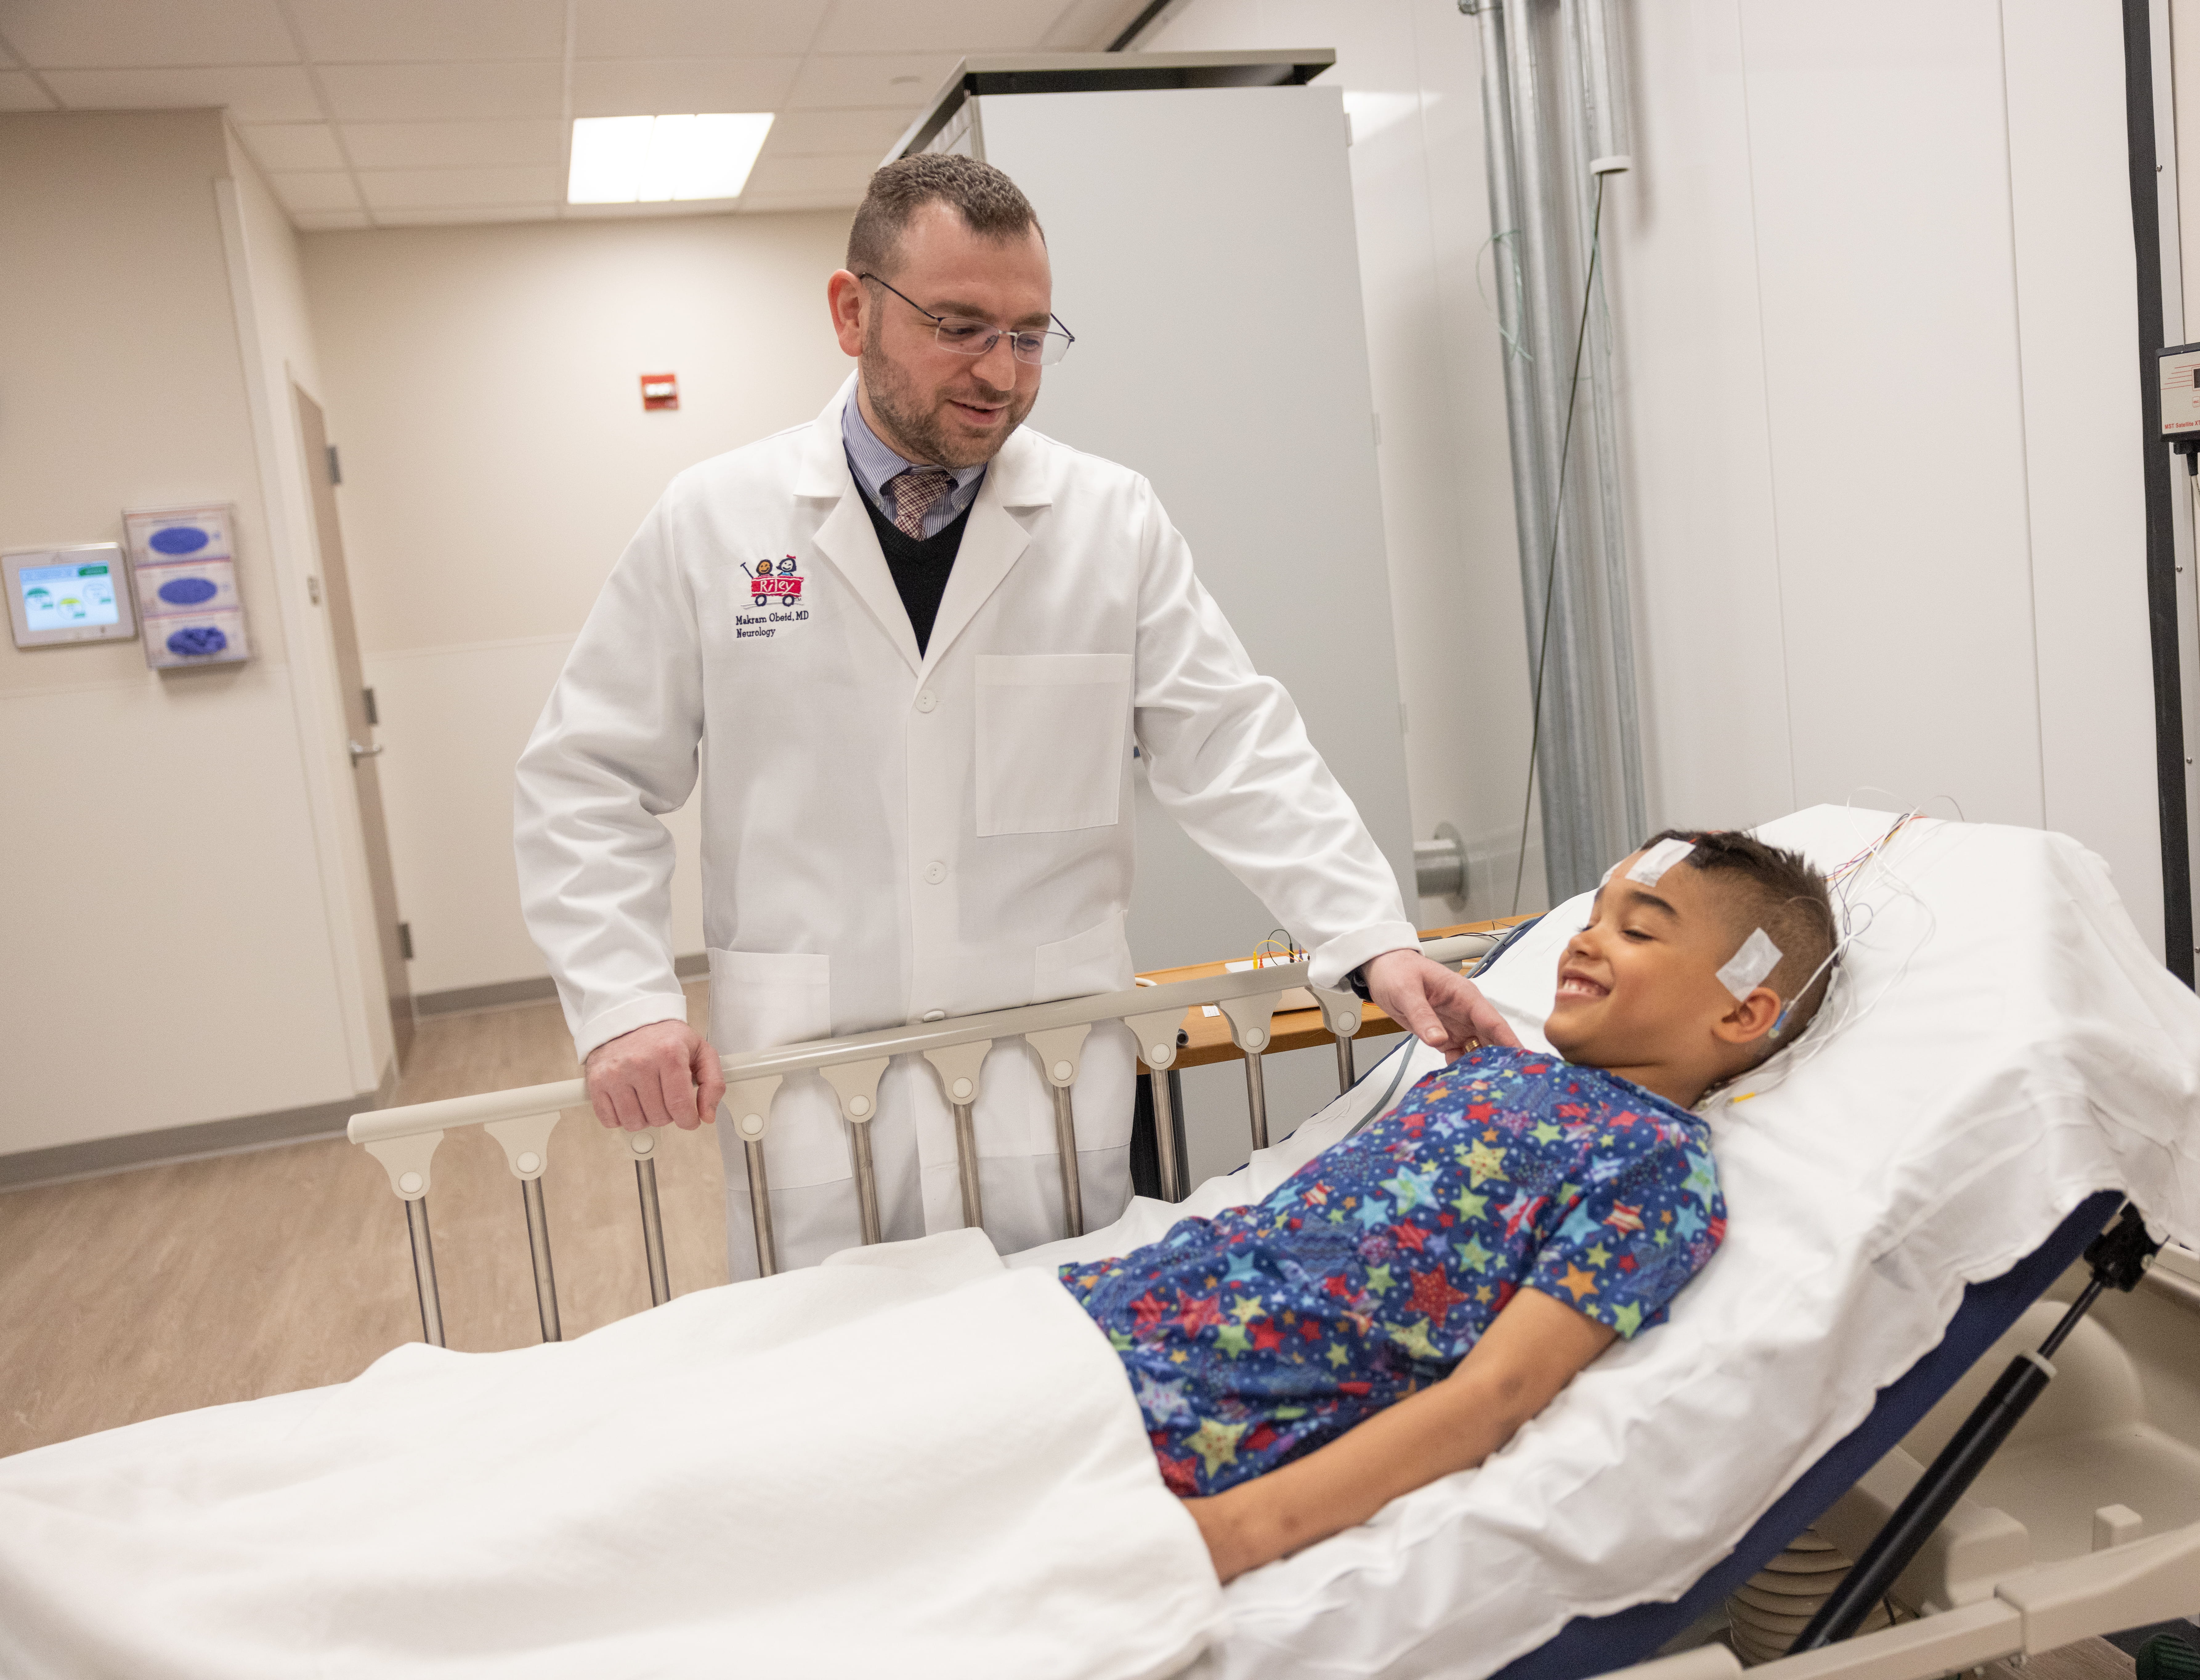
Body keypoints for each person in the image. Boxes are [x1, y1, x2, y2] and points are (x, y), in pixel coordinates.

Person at [514, 153, 1512, 1271]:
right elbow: (588, 777)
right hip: (810, 1077)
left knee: (1064, 1366)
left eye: (1030, 335)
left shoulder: (1106, 519)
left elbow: (1232, 742)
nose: (1002, 370)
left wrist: (1371, 936)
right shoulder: (714, 521)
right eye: (960, 325)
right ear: (852, 313)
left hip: (1046, 1076)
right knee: (832, 1395)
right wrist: (623, 1002)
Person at [1061, 828, 1839, 1580]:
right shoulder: (1492, 1070)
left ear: (1743, 1011)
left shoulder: (1654, 1163)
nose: (1585, 940)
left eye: (1635, 931)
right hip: (1099, 1316)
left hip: (1188, 1409)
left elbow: (1497, 1392)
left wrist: (1234, 1533)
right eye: (1592, 917)